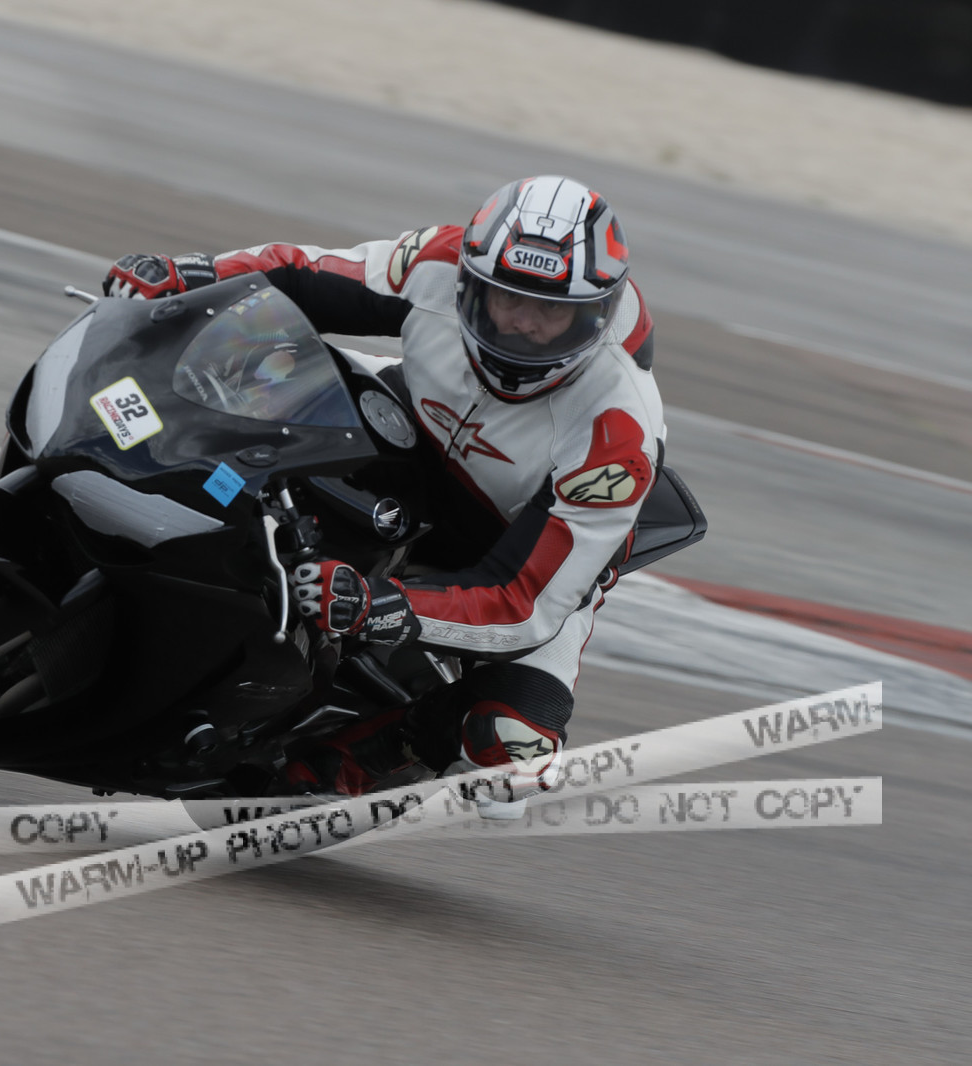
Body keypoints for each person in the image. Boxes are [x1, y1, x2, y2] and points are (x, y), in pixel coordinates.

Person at [103, 176, 663, 815]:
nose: (522, 325)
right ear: (471, 280)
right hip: (407, 441)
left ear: (594, 315)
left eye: (550, 312)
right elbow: (306, 275)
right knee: (256, 361)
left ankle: (361, 759)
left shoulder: (617, 432)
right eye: (507, 299)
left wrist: (382, 605)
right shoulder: (442, 260)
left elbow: (523, 601)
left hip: (510, 546)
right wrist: (193, 275)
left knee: (513, 759)